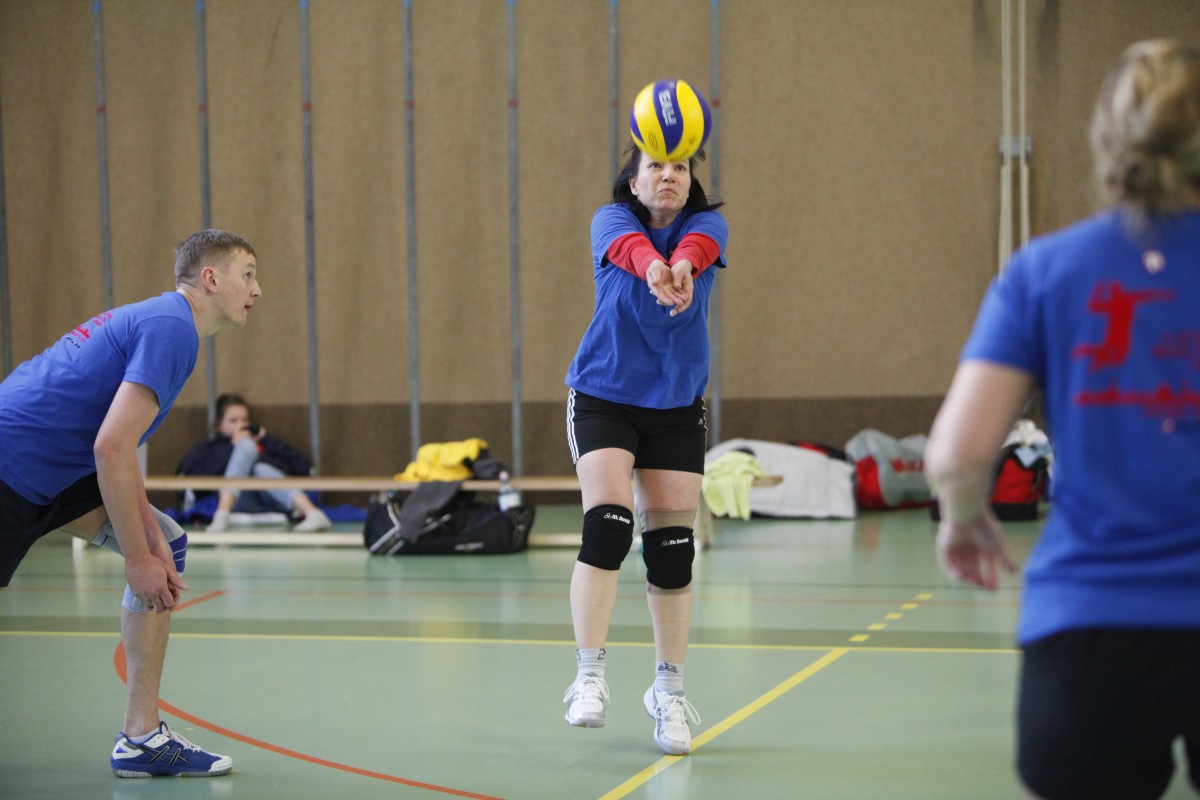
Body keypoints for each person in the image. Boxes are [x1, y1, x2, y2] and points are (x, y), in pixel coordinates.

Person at [925, 39, 1200, 800]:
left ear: (1108, 139)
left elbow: (956, 455)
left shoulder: (1045, 271)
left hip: (1089, 626)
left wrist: (963, 518)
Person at [0, 229, 262, 778]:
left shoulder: (166, 322)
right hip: (13, 464)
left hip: (55, 470)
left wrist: (147, 542)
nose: (256, 290)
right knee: (152, 554)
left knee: (166, 541)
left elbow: (117, 450)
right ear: (210, 279)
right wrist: (137, 560)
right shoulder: (172, 329)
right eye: (248, 275)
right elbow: (111, 448)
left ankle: (141, 738)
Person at [561, 140, 728, 756]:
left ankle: (668, 691)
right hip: (604, 395)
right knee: (608, 525)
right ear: (634, 181)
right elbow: (633, 252)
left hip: (676, 403)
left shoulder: (709, 227)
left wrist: (680, 267)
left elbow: (696, 249)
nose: (668, 176)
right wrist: (657, 271)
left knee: (673, 549)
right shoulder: (611, 221)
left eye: (679, 167)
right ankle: (589, 675)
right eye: (654, 166)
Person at [177, 392, 330, 533]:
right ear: (219, 424)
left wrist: (267, 440)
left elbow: (302, 466)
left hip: (272, 499)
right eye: (233, 421)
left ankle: (313, 514)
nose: (240, 425)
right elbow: (191, 476)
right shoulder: (209, 448)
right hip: (238, 501)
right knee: (246, 446)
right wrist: (233, 448)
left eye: (245, 420)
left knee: (260, 468)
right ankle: (222, 513)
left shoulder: (266, 443)